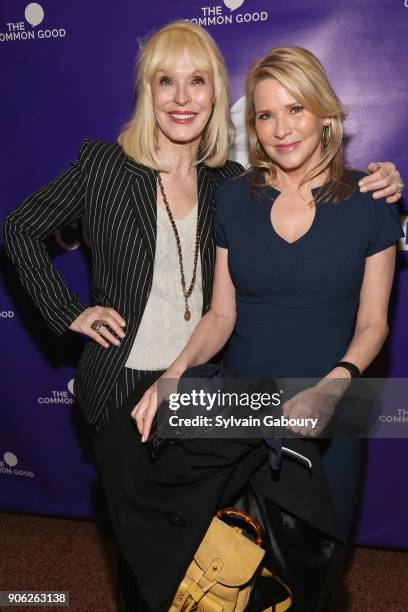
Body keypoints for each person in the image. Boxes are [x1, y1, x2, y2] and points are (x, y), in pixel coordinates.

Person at [2, 20, 404, 612]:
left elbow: (347, 298)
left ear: (217, 92)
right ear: (148, 90)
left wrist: (389, 179)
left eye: (197, 81)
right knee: (159, 563)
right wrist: (72, 313)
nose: (182, 97)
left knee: (237, 566)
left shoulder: (228, 182)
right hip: (139, 387)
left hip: (211, 391)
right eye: (166, 81)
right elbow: (19, 228)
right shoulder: (109, 169)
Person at [133, 46, 404, 610]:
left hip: (334, 404)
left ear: (326, 115)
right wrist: (175, 374)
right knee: (234, 575)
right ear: (251, 126)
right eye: (264, 114)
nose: (281, 129)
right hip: (245, 407)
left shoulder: (370, 201)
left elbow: (375, 324)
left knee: (311, 572)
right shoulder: (236, 197)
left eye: (295, 109)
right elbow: (221, 314)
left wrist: (335, 385)